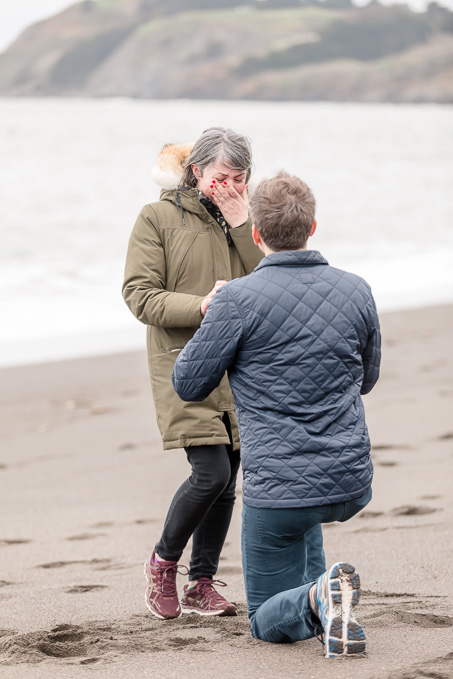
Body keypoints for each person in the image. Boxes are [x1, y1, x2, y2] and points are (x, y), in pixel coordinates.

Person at [172, 171, 381, 656]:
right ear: (312, 227)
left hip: (281, 492)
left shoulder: (236, 300)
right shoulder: (357, 289)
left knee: (265, 620)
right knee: (304, 524)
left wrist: (214, 313)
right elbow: (366, 379)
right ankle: (328, 596)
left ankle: (316, 595)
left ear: (258, 235)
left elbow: (188, 383)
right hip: (350, 482)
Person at [122, 127, 263, 620]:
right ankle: (163, 565)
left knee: (229, 481)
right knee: (211, 473)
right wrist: (202, 305)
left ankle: (201, 583)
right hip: (183, 363)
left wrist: (243, 223)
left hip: (239, 368)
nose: (232, 187)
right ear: (197, 171)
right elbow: (140, 295)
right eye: (223, 177)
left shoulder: (243, 218)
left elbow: (272, 280)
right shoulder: (156, 217)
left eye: (241, 179)